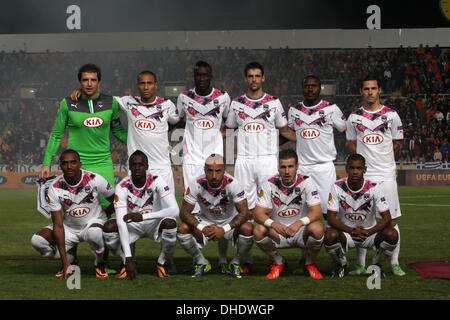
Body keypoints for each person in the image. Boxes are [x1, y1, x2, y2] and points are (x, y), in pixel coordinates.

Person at [224, 62, 296, 274]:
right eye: (250, 76)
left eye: (257, 76)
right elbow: (227, 131)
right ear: (246, 79)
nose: (254, 79)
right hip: (244, 160)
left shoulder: (274, 103)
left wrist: (307, 137)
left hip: (267, 161)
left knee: (267, 211)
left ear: (263, 78)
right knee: (243, 212)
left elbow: (285, 131)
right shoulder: (236, 104)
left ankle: (272, 257)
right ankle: (245, 261)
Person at [39, 64, 127, 208]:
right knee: (77, 207)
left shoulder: (111, 103)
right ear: (80, 82)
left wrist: (139, 142)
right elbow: (56, 134)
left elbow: (118, 131)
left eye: (93, 80)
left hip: (103, 163)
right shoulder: (68, 103)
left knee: (109, 206)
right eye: (85, 80)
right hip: (76, 165)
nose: (89, 83)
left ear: (99, 82)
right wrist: (46, 163)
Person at [346, 75, 405, 276]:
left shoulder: (391, 115)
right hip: (366, 175)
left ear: (380, 90)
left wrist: (384, 160)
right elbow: (352, 144)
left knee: (391, 221)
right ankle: (360, 265)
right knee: (364, 219)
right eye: (366, 89)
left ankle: (394, 262)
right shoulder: (354, 117)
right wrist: (364, 164)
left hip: (386, 173)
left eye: (373, 89)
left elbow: (397, 143)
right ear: (361, 92)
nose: (370, 92)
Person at [176, 61, 232, 273]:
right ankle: (199, 259)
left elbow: (229, 122)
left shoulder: (223, 97)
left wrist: (217, 136)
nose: (201, 78)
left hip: (214, 160)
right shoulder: (184, 97)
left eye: (205, 75)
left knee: (223, 208)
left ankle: (223, 259)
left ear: (210, 76)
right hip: (191, 161)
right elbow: (178, 120)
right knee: (194, 211)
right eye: (198, 75)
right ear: (194, 76)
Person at [31, 149, 115, 278]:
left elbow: (116, 200)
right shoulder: (55, 187)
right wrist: (64, 262)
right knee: (37, 241)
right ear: (60, 166)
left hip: (93, 223)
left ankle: (100, 263)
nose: (69, 166)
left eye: (73, 162)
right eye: (65, 163)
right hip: (69, 227)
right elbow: (58, 225)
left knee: (95, 233)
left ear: (80, 164)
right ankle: (70, 260)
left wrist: (106, 213)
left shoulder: (94, 178)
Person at [102, 150, 179, 280]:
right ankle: (125, 262)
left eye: (141, 164)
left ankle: (161, 262)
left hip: (153, 223)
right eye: (134, 164)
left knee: (171, 224)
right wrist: (127, 258)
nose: (137, 167)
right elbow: (121, 221)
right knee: (109, 228)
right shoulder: (122, 186)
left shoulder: (157, 180)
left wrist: (143, 217)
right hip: (133, 225)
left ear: (147, 166)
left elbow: (175, 210)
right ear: (129, 167)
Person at [177, 154, 253, 279]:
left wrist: (224, 229)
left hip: (229, 221)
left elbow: (245, 213)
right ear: (204, 170)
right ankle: (201, 261)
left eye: (218, 171)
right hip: (206, 221)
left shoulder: (233, 183)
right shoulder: (196, 183)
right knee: (182, 228)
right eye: (210, 171)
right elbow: (184, 213)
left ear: (224, 170)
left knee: (248, 227)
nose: (214, 176)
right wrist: (202, 227)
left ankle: (236, 263)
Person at [253, 149, 324, 279]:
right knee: (258, 230)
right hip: (278, 232)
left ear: (297, 167)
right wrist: (274, 224)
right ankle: (279, 262)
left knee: (318, 228)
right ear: (278, 168)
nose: (287, 171)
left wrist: (299, 223)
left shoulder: (306, 181)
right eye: (283, 167)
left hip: (300, 232)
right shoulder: (269, 184)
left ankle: (310, 263)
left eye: (290, 166)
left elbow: (317, 211)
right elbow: (258, 214)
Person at [325, 154, 399, 278]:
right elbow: (331, 217)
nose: (355, 172)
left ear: (364, 169)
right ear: (346, 169)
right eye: (352, 168)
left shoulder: (374, 187)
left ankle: (376, 264)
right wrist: (350, 230)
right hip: (347, 233)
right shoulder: (336, 186)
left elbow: (387, 217)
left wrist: (369, 232)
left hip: (369, 233)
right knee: (329, 235)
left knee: (392, 235)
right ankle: (341, 264)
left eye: (358, 168)